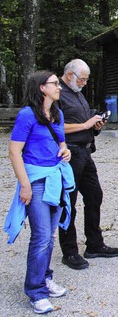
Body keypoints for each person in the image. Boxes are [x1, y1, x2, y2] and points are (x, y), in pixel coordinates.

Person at [6, 71, 73, 314]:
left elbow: (62, 144)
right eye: (55, 84)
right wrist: (24, 185)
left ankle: (44, 277)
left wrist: (65, 152)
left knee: (50, 236)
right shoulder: (26, 115)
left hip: (55, 179)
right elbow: (14, 152)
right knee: (42, 236)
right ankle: (36, 291)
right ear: (41, 88)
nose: (59, 87)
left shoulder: (57, 113)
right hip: (35, 182)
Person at [58, 59, 118, 270]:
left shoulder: (77, 93)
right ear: (69, 75)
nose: (85, 83)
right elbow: (54, 126)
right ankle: (69, 251)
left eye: (86, 79)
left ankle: (94, 244)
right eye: (82, 79)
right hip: (69, 154)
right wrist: (85, 124)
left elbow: (83, 123)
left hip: (86, 151)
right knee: (68, 201)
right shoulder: (57, 94)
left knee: (95, 196)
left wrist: (95, 126)